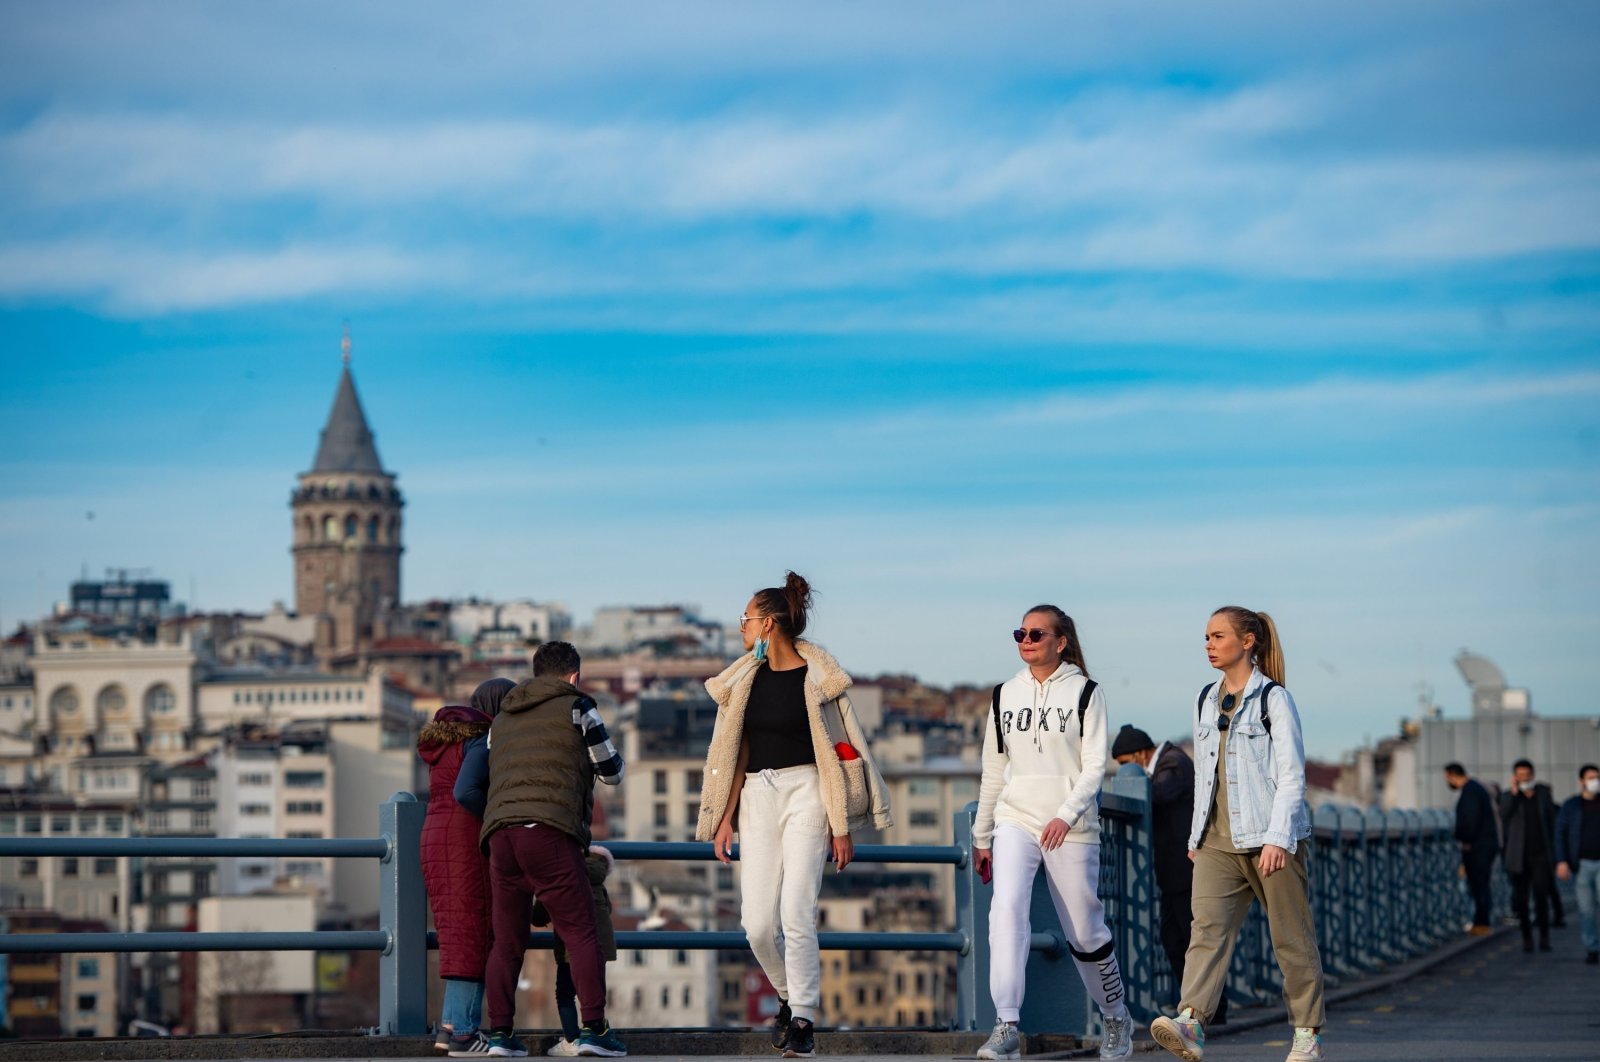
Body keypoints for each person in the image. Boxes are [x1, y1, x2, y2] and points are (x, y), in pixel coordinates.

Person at [695, 571, 893, 1060]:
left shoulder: (819, 679)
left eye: (745, 619)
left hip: (809, 791)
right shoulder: (745, 679)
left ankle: (803, 1018)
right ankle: (787, 995)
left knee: (796, 912)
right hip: (758, 797)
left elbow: (841, 753)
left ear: (767, 624)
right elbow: (736, 753)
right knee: (757, 924)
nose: (739, 627)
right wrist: (724, 816)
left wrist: (841, 825)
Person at [1151, 607, 1325, 1062]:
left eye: (1218, 635)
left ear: (1248, 641)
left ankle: (1307, 1033)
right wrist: (1195, 837)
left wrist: (1279, 837)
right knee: (1205, 931)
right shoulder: (1204, 699)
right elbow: (1206, 773)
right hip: (1216, 842)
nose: (1208, 644)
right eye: (1206, 636)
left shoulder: (1274, 700)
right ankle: (1191, 1022)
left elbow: (1291, 775)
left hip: (1271, 838)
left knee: (1290, 936)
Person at [972, 605, 1136, 1061]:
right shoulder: (1004, 694)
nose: (1026, 640)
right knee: (1005, 912)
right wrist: (983, 834)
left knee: (1084, 929)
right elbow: (993, 768)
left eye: (1036, 633)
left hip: (1070, 825)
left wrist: (1065, 813)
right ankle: (1005, 1026)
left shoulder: (1086, 693)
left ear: (1060, 642)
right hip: (1015, 819)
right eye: (1019, 633)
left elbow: (1094, 767)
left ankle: (1117, 1015)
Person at [456, 642, 627, 1058]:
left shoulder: (503, 719)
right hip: (549, 831)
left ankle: (499, 1036)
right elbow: (612, 772)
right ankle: (594, 1030)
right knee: (580, 930)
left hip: (500, 836)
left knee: (506, 941)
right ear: (574, 676)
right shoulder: (577, 707)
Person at [419, 680, 511, 1057]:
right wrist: (498, 816)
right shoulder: (481, 739)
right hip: (464, 838)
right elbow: (465, 791)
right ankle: (464, 1032)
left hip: (437, 835)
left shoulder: (448, 742)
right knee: (472, 934)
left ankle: (449, 1027)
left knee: (459, 932)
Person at [1111, 725, 1225, 1026]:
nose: (1124, 770)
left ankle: (1209, 1010)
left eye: (1125, 764)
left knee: (1191, 939)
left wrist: (1137, 783)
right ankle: (1200, 1008)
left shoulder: (1174, 763)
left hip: (1186, 869)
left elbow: (1158, 794)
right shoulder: (1169, 763)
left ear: (1140, 753)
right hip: (1175, 872)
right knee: (1176, 938)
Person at [535, 846, 617, 1055]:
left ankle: (572, 1039)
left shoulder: (563, 875)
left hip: (569, 949)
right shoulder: (599, 884)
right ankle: (594, 1033)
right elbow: (608, 911)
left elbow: (540, 913)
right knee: (593, 992)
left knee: (565, 994)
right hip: (597, 951)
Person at [1499, 758, 1558, 953]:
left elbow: (1552, 822)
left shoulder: (1543, 795)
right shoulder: (1509, 797)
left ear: (1533, 775)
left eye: (1527, 775)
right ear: (1515, 777)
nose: (1524, 778)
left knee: (1541, 896)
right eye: (1520, 776)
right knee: (1521, 900)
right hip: (1518, 857)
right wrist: (1515, 795)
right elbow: (1504, 816)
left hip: (1541, 855)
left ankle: (1544, 937)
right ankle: (1526, 938)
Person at [1443, 762, 1500, 936]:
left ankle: (1481, 923)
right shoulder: (1476, 789)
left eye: (1447, 778)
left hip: (1477, 846)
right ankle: (1481, 921)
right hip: (1485, 844)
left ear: (1452, 776)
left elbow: (1469, 821)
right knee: (1481, 884)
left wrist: (1463, 837)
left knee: (1478, 884)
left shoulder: (1470, 792)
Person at [1554, 763, 1600, 964]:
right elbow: (1560, 833)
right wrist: (1562, 860)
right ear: (1582, 781)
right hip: (1581, 864)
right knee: (1586, 910)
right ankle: (1592, 947)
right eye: (1591, 778)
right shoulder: (1571, 805)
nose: (1595, 781)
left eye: (1597, 777)